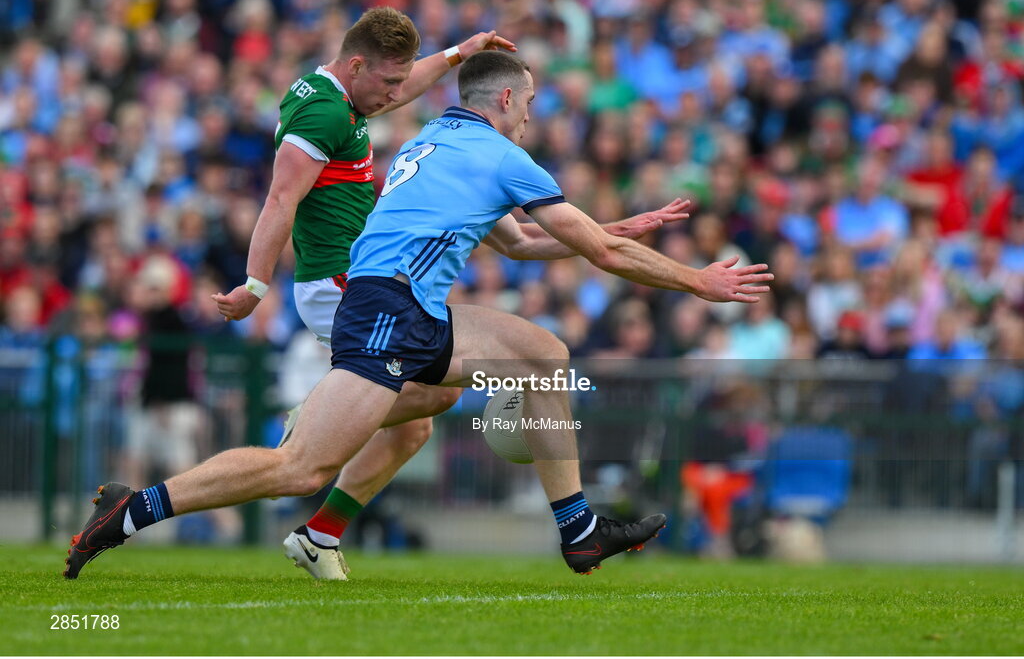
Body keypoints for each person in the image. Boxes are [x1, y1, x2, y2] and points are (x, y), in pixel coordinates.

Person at [65, 51, 772, 580]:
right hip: (386, 311)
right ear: (504, 99)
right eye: (527, 105)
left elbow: (525, 241)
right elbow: (596, 254)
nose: (529, 117)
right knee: (300, 465)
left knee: (537, 356)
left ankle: (578, 527)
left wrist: (614, 222)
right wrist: (698, 281)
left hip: (409, 306)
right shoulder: (502, 154)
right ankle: (134, 509)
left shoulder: (431, 141)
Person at [206, 7, 693, 580]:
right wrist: (255, 284)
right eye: (388, 82)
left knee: (424, 413)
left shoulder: (385, 116)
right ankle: (307, 422)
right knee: (303, 464)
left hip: (361, 281)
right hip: (353, 283)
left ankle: (320, 534)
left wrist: (459, 53)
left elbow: (520, 241)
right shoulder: (328, 113)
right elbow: (280, 199)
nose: (394, 95)